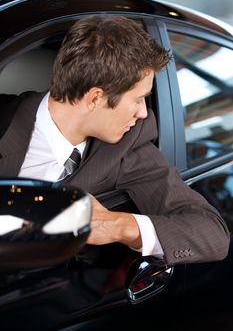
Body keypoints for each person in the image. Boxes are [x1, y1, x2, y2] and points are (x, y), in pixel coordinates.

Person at [0, 15, 229, 265]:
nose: (143, 112)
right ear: (95, 98)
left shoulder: (128, 143)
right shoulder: (5, 119)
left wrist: (119, 226)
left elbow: (213, 235)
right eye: (138, 99)